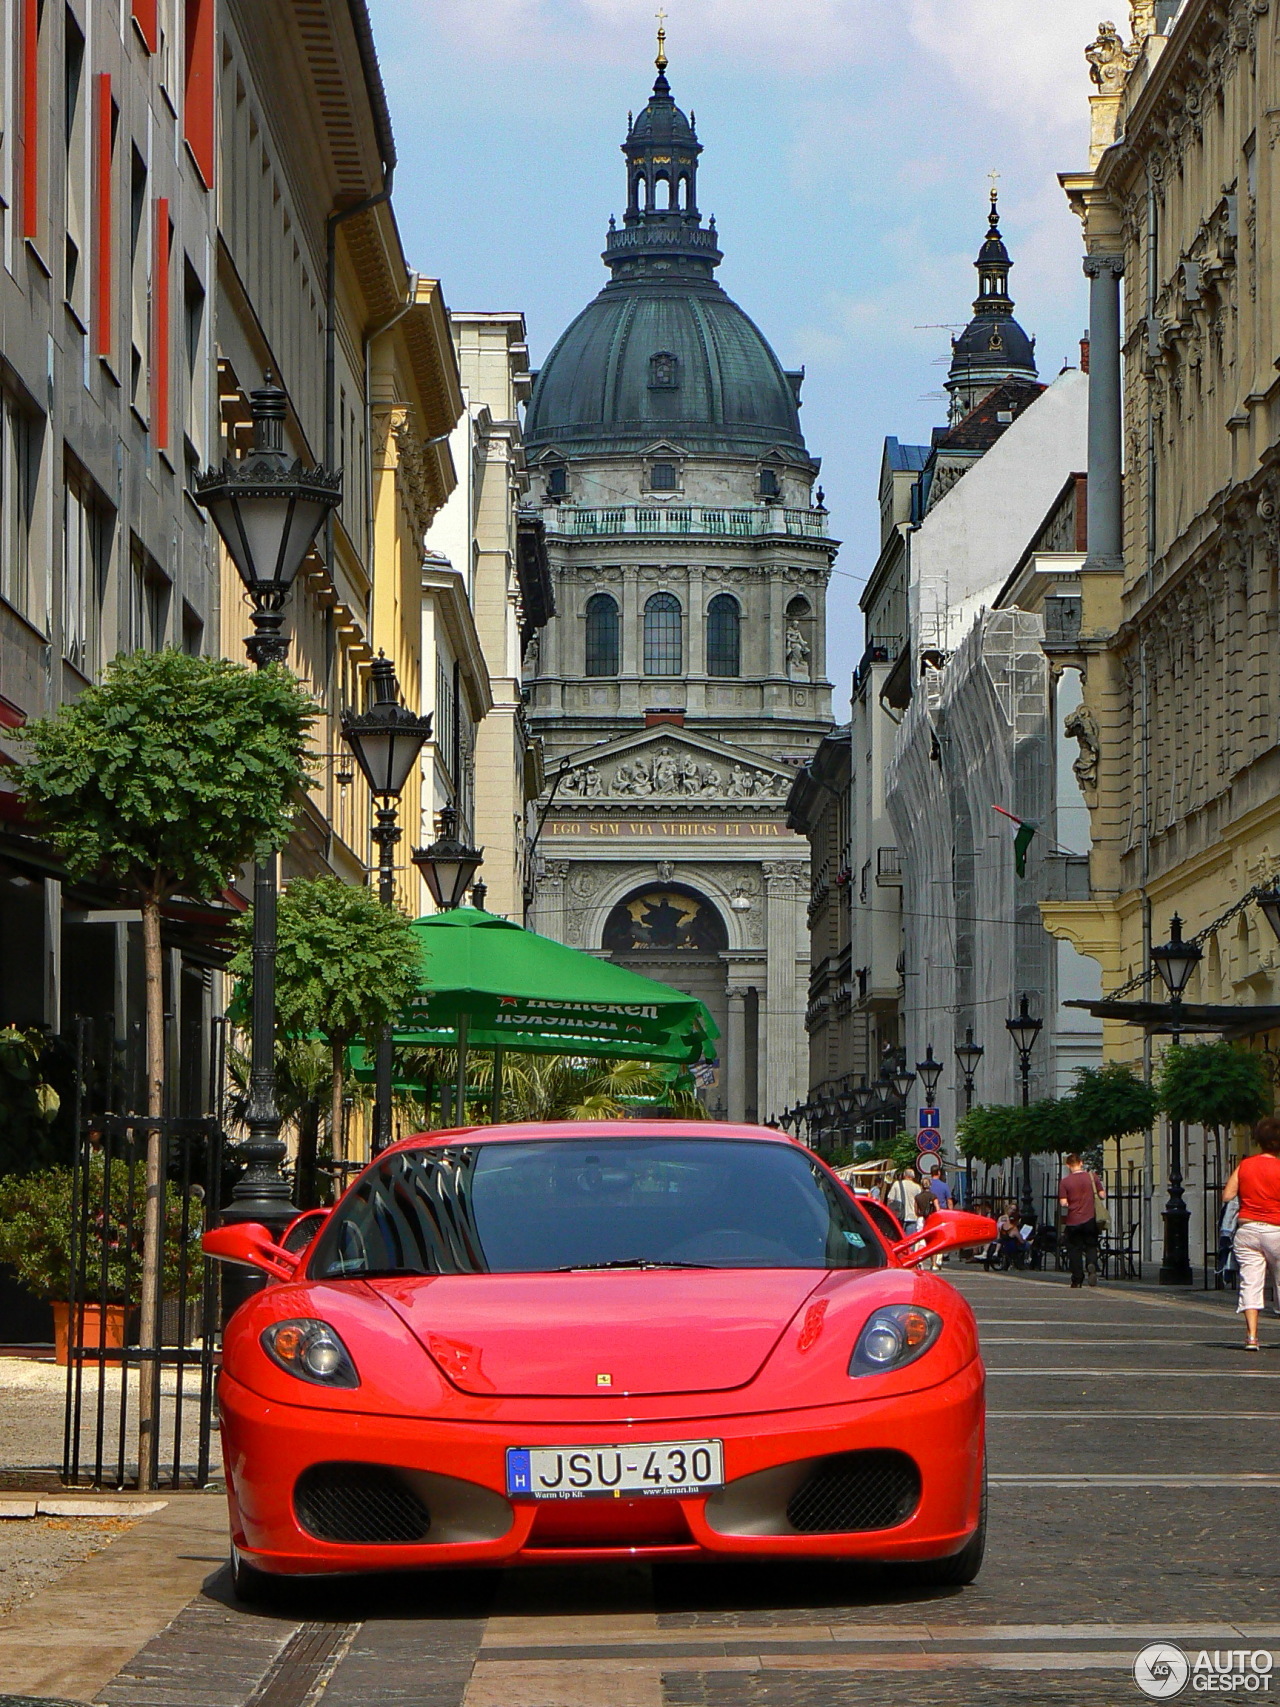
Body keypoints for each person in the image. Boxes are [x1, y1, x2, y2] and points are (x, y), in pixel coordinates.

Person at [1222, 1117, 1280, 1351]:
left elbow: (1227, 1195)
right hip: (1277, 1229)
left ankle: (1252, 1336)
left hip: (1247, 1230)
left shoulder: (1245, 1165)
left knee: (1251, 1282)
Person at [1059, 1153, 1100, 1288]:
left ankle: (1077, 1278)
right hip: (1090, 1218)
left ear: (1068, 1165)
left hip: (1073, 1220)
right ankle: (1092, 1263)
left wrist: (1071, 1204)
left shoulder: (1065, 1182)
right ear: (1081, 1163)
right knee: (1091, 1245)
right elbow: (1102, 1194)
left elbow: (1063, 1203)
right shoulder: (1092, 1177)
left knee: (1074, 1250)